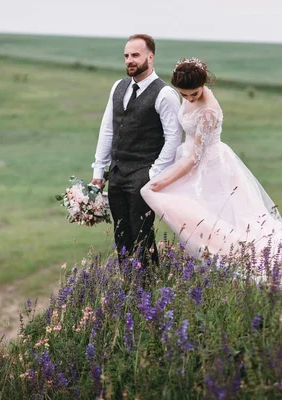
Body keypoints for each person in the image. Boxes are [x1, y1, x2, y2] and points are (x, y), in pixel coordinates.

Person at [140, 58, 282, 262]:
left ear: (203, 85)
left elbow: (194, 159)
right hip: (189, 157)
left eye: (194, 93)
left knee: (221, 218)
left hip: (208, 164)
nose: (190, 99)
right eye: (184, 95)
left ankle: (235, 256)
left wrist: (161, 181)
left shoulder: (208, 111)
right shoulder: (189, 91)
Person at [91, 34, 181, 271]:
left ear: (150, 57)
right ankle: (129, 288)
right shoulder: (118, 87)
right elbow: (107, 129)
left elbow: (174, 138)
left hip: (144, 175)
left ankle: (150, 287)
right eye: (127, 56)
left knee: (142, 235)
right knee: (121, 235)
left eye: (135, 55)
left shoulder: (165, 94)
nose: (130, 60)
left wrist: (154, 173)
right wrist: (99, 171)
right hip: (118, 174)